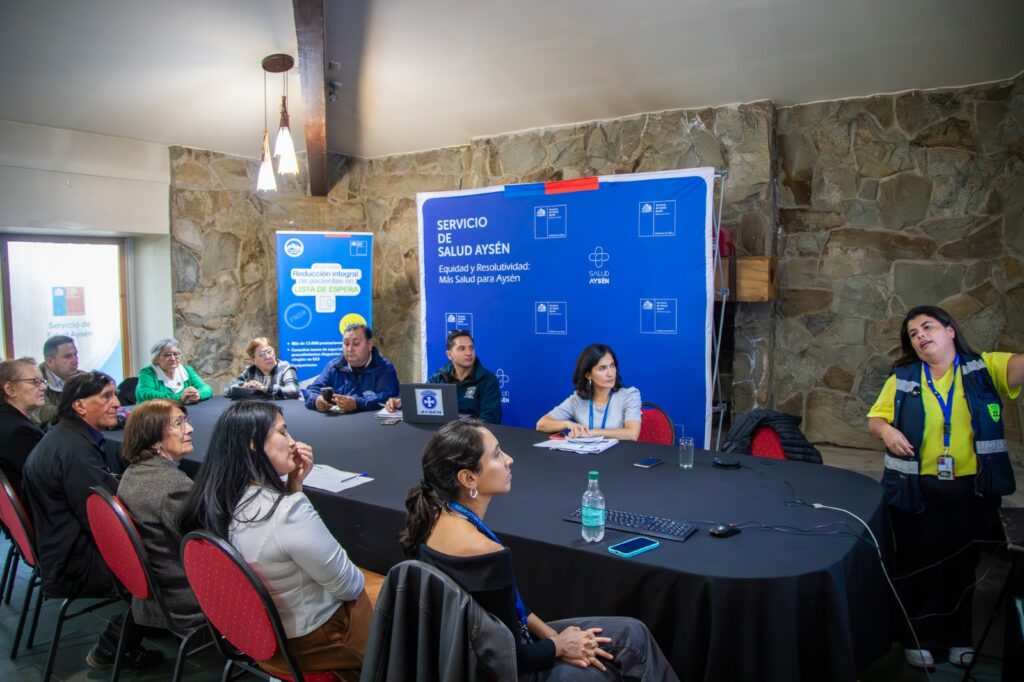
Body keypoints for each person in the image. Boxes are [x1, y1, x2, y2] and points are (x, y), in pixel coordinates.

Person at [400, 418, 678, 680]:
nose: (510, 459)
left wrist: (553, 635)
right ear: (468, 479)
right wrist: (558, 646)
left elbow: (506, 610)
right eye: (497, 455)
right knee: (629, 647)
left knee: (633, 633)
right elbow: (513, 658)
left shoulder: (432, 520)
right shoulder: (482, 549)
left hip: (478, 654)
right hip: (509, 669)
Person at [867, 305, 1024, 670]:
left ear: (950, 331)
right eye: (913, 334)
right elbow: (875, 419)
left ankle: (959, 638)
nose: (921, 336)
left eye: (928, 327)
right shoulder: (904, 376)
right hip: (917, 490)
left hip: (973, 493)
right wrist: (887, 431)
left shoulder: (985, 368)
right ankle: (917, 638)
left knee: (963, 566)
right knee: (917, 564)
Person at [178, 401, 372, 678]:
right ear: (253, 444)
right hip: (312, 645)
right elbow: (349, 587)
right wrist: (296, 498)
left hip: (254, 639)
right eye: (283, 432)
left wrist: (293, 487)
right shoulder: (286, 512)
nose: (293, 443)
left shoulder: (215, 500)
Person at [22, 372, 162, 670]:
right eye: (107, 397)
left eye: (115, 395)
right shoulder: (75, 453)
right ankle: (113, 644)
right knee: (169, 564)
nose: (117, 404)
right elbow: (108, 522)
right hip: (75, 563)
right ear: (79, 406)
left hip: (59, 548)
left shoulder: (65, 437)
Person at [117, 400, 203, 632]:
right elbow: (210, 545)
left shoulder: (133, 472)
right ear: (155, 440)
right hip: (185, 598)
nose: (190, 429)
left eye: (186, 421)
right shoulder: (173, 486)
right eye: (178, 423)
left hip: (157, 593)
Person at [385, 329, 502, 423]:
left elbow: (490, 421)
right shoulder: (440, 376)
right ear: (449, 355)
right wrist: (400, 403)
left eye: (471, 348)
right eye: (462, 348)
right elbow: (421, 400)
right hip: (442, 436)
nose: (469, 353)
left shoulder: (488, 380)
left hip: (472, 440)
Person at [536, 344, 642, 441]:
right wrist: (567, 424)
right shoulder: (578, 399)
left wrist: (590, 433)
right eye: (602, 368)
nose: (610, 373)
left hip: (618, 456)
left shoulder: (629, 395)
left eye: (612, 366)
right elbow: (541, 424)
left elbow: (632, 433)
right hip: (587, 456)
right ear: (588, 375)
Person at [305, 323, 399, 414]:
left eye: (356, 343)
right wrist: (316, 401)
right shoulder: (334, 366)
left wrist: (357, 403)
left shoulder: (385, 368)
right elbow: (312, 390)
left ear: (369, 345)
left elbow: (388, 397)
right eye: (346, 343)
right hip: (336, 424)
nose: (350, 349)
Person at [0, 358, 46, 495]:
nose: (44, 387)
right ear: (10, 389)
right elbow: (45, 481)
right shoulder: (19, 432)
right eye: (35, 382)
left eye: (43, 381)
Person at [135, 338, 213, 405]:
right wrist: (179, 397)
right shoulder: (147, 373)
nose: (173, 358)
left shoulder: (187, 370)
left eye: (176, 354)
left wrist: (198, 394)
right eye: (167, 355)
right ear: (156, 359)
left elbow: (207, 388)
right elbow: (147, 394)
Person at [225, 337, 300, 400]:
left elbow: (294, 391)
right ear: (254, 360)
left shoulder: (285, 368)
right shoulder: (251, 371)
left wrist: (264, 388)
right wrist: (244, 386)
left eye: (269, 351)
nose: (268, 357)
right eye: (262, 355)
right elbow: (226, 390)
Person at [34, 335, 79, 426]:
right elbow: (41, 413)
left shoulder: (82, 376)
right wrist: (79, 407)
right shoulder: (35, 380)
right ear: (50, 361)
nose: (76, 361)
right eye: (68, 356)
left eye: (75, 355)